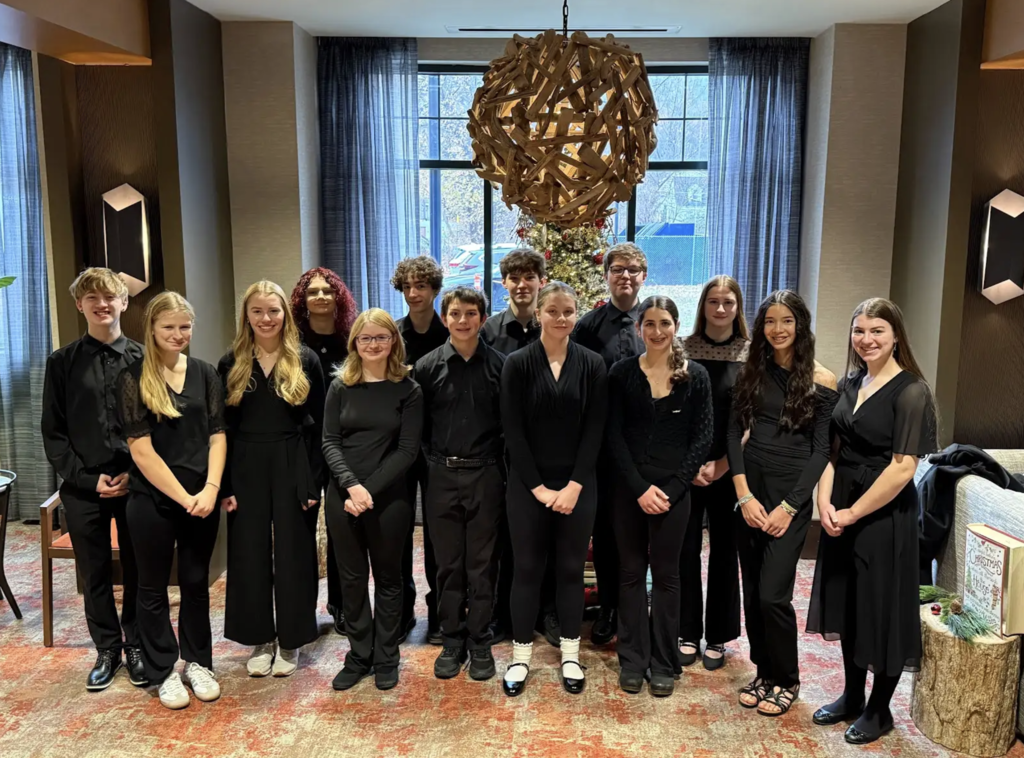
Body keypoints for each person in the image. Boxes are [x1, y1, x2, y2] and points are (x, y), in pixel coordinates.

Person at [807, 298, 937, 745]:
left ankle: (880, 710)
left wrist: (852, 511)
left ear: (896, 334)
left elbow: (903, 468)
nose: (867, 339)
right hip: (840, 501)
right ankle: (851, 696)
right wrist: (823, 503)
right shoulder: (850, 383)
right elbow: (830, 451)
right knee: (848, 601)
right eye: (859, 330)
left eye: (877, 330)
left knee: (880, 608)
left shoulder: (912, 390)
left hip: (884, 511)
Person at [729, 290, 838, 717]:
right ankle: (764, 672)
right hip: (750, 492)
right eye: (770, 321)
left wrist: (791, 506)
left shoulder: (822, 379)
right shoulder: (751, 372)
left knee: (774, 594)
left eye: (787, 321)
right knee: (753, 591)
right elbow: (732, 438)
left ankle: (787, 678)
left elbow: (821, 451)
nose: (778, 329)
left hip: (789, 498)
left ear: (800, 326)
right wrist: (743, 495)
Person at [117, 291, 227, 711]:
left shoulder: (205, 373)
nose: (178, 334)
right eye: (169, 327)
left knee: (197, 583)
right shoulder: (132, 377)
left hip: (203, 497)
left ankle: (198, 662)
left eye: (185, 326)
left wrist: (211, 489)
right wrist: (183, 497)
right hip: (154, 500)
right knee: (152, 586)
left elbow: (218, 435)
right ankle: (163, 670)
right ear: (152, 329)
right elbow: (140, 450)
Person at [500, 282, 608, 697]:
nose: (561, 318)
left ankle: (569, 654)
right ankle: (521, 656)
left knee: (569, 571)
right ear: (540, 314)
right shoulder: (517, 364)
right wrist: (540, 489)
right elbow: (513, 432)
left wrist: (574, 485)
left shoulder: (593, 364)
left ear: (576, 314)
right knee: (526, 570)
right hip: (528, 487)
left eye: (569, 311)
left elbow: (595, 429)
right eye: (553, 311)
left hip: (580, 487)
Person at [41, 268, 146, 691]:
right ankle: (107, 648)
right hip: (84, 487)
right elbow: (53, 431)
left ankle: (137, 643)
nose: (102, 305)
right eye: (92, 298)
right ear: (80, 305)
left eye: (110, 297)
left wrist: (133, 473)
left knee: (139, 568)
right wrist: (87, 480)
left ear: (124, 303)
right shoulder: (61, 362)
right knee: (95, 571)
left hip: (137, 482)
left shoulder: (144, 358)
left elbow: (160, 425)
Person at [219, 281, 326, 678]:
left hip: (291, 458)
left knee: (295, 551)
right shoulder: (231, 362)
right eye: (258, 311)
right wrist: (224, 486)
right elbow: (221, 432)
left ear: (286, 314)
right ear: (246, 316)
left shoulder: (306, 360)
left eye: (274, 311)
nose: (266, 319)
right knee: (249, 551)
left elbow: (320, 429)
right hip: (244, 463)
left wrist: (312, 481)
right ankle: (260, 638)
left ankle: (292, 638)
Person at [607, 296, 713, 697]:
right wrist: (638, 489)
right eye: (648, 324)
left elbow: (702, 438)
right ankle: (632, 660)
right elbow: (613, 436)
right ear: (638, 329)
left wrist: (672, 490)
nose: (656, 331)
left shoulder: (695, 376)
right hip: (629, 492)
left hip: (674, 493)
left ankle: (665, 662)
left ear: (676, 325)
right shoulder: (621, 374)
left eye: (664, 323)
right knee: (631, 573)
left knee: (668, 576)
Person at [323, 308, 423, 692]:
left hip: (390, 497)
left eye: (381, 337)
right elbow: (329, 441)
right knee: (350, 580)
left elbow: (407, 450)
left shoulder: (408, 389)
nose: (373, 344)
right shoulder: (339, 386)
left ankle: (386, 657)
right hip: (343, 496)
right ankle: (358, 656)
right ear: (354, 343)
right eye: (365, 338)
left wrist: (368, 490)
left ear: (393, 342)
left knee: (388, 579)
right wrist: (351, 486)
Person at [415, 287, 505, 681]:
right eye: (455, 313)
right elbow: (416, 429)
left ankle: (480, 639)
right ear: (446, 318)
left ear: (483, 319)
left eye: (471, 313)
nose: (463, 320)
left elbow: (510, 428)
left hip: (486, 473)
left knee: (483, 565)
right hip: (440, 474)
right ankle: (452, 639)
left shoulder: (502, 366)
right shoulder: (427, 366)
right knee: (449, 565)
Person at [571, 242, 647, 645]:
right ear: (607, 275)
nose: (626, 276)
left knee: (636, 532)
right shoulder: (587, 325)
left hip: (642, 447)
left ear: (644, 276)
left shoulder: (653, 321)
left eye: (633, 270)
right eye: (618, 269)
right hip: (601, 445)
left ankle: (635, 607)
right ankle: (609, 608)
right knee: (603, 532)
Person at [679, 276, 750, 671]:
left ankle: (719, 635)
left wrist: (723, 464)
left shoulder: (752, 353)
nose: (720, 309)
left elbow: (754, 418)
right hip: (688, 469)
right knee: (685, 550)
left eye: (728, 302)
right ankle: (686, 630)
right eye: (713, 302)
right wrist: (691, 466)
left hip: (733, 468)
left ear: (738, 308)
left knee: (725, 551)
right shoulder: (683, 349)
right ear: (703, 306)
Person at [479, 247, 547, 642]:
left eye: (529, 278)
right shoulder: (490, 331)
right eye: (514, 278)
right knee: (502, 537)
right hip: (501, 452)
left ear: (540, 281)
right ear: (504, 283)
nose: (522, 285)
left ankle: (546, 613)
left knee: (546, 535)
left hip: (546, 451)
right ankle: (500, 614)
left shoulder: (554, 324)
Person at [290, 267, 358, 636]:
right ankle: (301, 608)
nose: (319, 297)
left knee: (340, 531)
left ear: (338, 298)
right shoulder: (290, 343)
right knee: (300, 529)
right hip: (300, 448)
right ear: (302, 300)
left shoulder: (351, 341)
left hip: (341, 447)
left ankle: (341, 605)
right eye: (312, 292)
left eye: (327, 292)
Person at [391, 255, 447, 644]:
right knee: (395, 529)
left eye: (421, 286)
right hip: (396, 446)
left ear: (434, 289)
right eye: (408, 287)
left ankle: (440, 610)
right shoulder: (391, 335)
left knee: (437, 536)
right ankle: (402, 610)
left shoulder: (452, 333)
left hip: (439, 445)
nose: (414, 293)